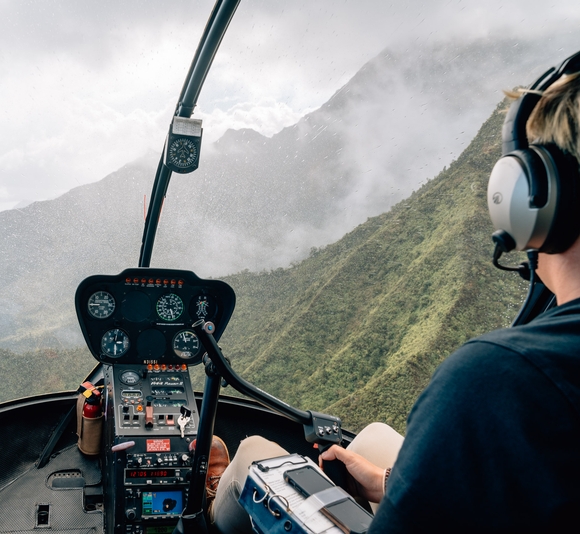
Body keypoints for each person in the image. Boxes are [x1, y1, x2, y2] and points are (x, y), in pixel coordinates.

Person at [207, 61, 580, 532]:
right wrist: (391, 483)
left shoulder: (499, 380)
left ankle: (207, 503)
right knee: (376, 440)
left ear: (536, 197)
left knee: (253, 458)